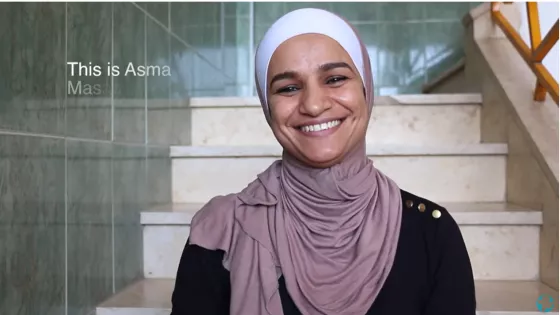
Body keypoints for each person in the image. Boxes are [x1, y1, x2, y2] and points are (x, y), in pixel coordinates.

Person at [170, 8, 476, 315]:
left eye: (335, 79)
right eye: (289, 87)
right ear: (268, 107)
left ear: (365, 88)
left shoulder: (431, 234)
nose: (314, 105)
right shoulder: (222, 233)